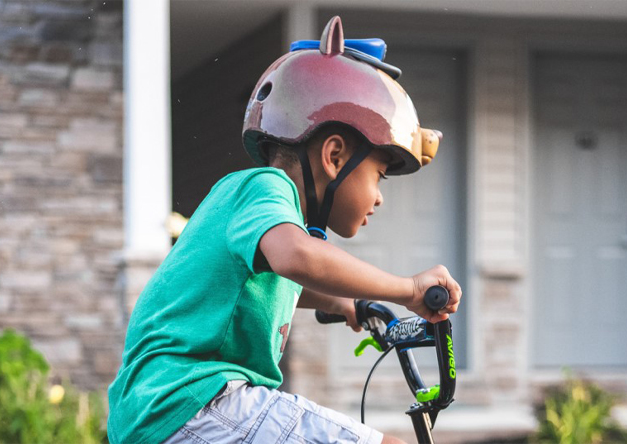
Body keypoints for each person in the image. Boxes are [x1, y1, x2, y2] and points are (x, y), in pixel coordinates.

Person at [107, 16, 462, 444]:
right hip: (194, 400)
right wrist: (407, 289)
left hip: (164, 410)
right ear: (334, 156)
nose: (380, 197)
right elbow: (296, 259)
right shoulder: (265, 189)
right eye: (379, 176)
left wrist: (348, 302)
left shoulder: (265, 216)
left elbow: (264, 279)